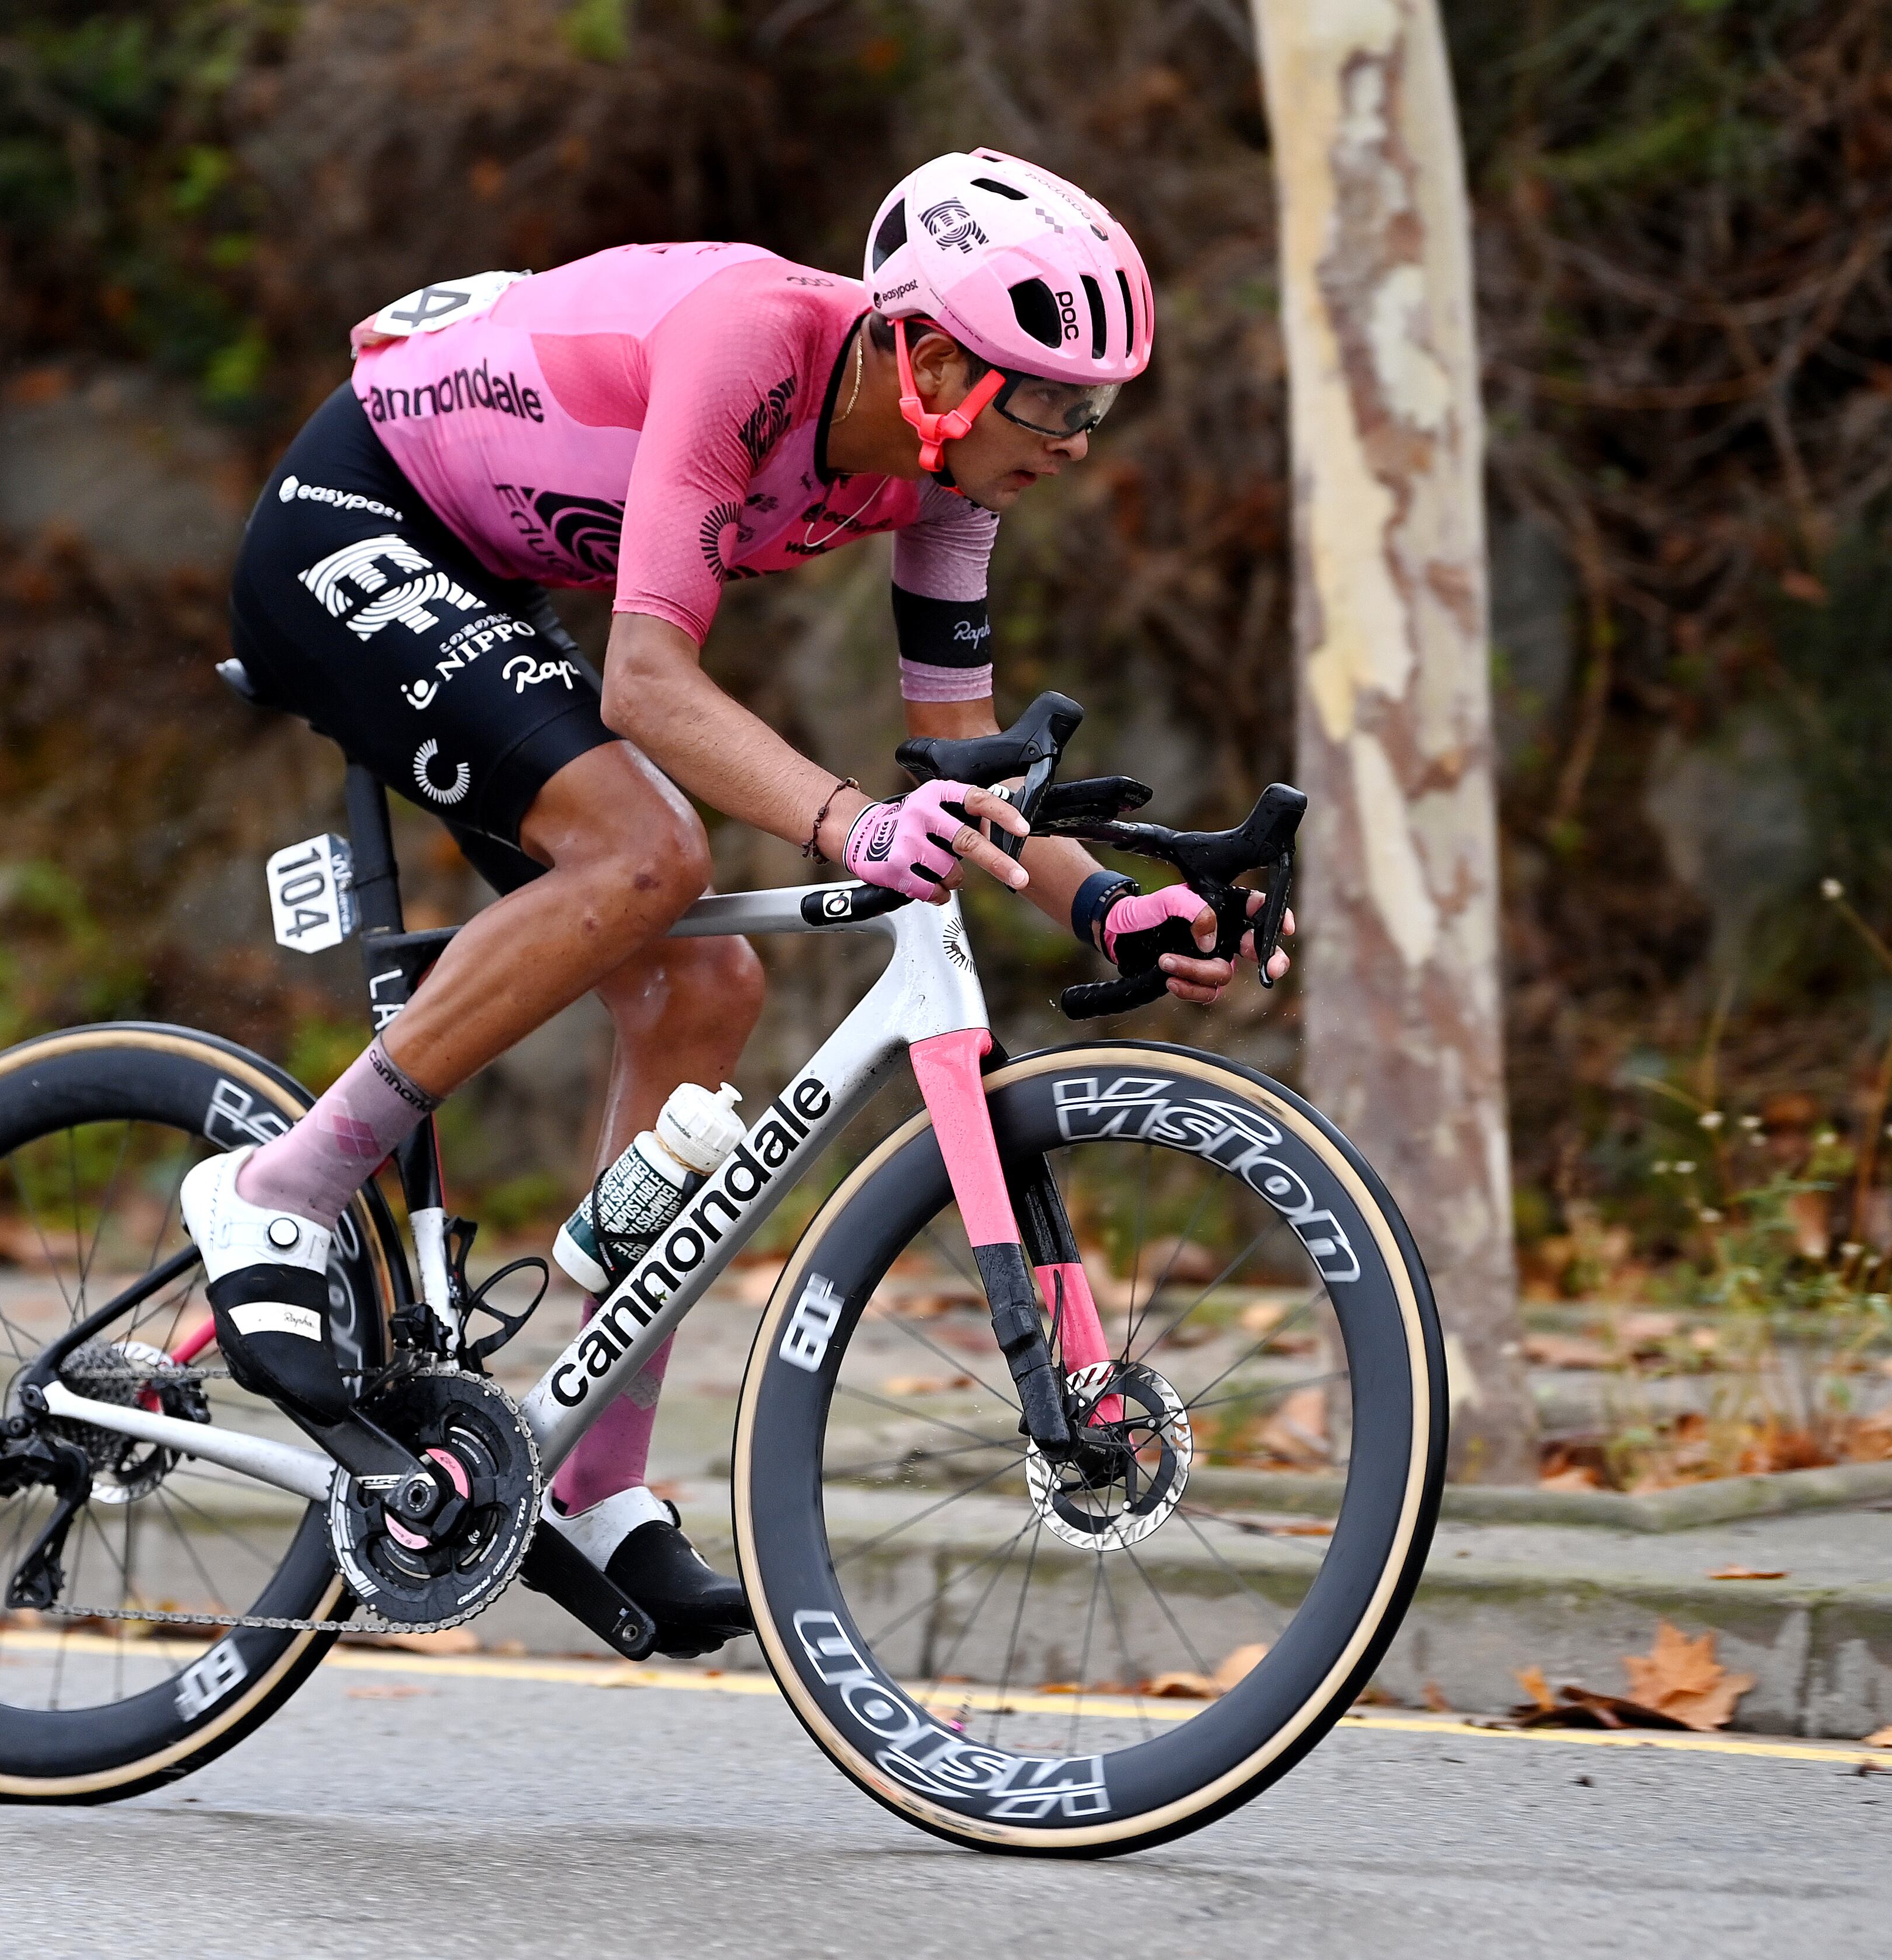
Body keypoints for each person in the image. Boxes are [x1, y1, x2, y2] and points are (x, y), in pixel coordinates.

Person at [179, 149, 1281, 1654]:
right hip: (349, 520)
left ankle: (590, 1483)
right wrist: (844, 818)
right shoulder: (751, 341)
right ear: (936, 358)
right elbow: (648, 679)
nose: (1080, 440)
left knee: (704, 989)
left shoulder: (947, 480)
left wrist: (1104, 909)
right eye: (1055, 399)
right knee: (649, 855)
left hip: (491, 576)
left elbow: (964, 759)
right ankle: (275, 1193)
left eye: (1097, 407)